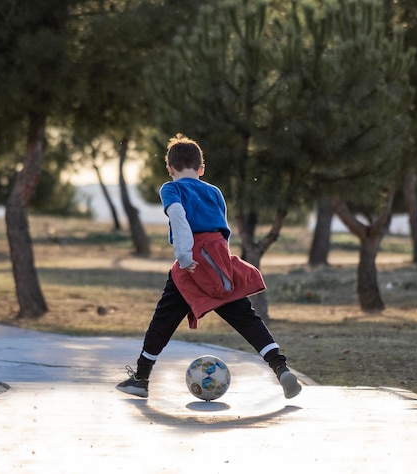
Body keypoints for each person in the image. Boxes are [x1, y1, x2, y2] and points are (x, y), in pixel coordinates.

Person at [116, 133, 302, 399]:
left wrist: (184, 255)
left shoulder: (171, 188)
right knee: (245, 317)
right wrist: (220, 263)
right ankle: (280, 367)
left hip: (191, 264)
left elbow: (179, 217)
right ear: (201, 168)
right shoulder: (214, 191)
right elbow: (223, 231)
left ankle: (141, 377)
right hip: (220, 262)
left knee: (163, 320)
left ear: (170, 169)